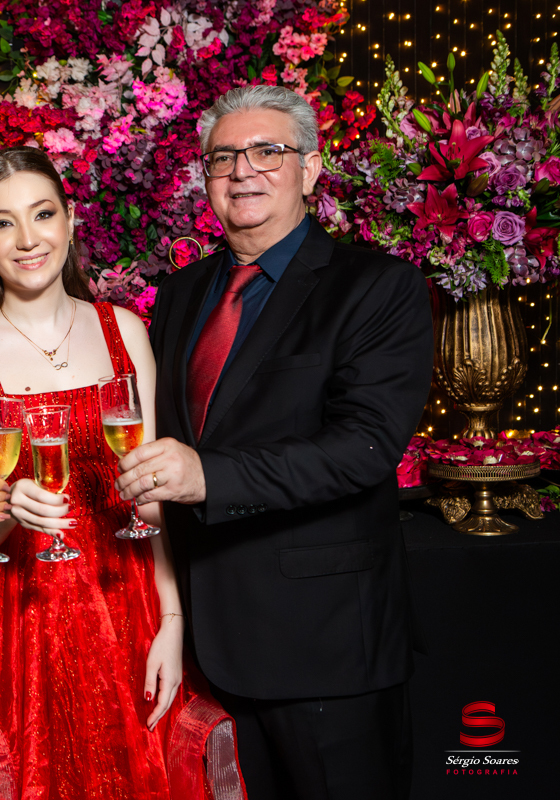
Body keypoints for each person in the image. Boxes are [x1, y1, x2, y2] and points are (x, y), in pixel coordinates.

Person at [118, 85, 434, 799]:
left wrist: (208, 476)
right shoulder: (180, 293)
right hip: (208, 647)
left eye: (267, 152)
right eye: (223, 157)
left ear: (310, 169)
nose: (242, 171)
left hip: (326, 648)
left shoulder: (377, 287)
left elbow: (364, 447)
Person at [0, 146, 242, 799]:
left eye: (42, 214)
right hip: (17, 626)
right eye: (3, 222)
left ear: (70, 220)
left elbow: (154, 497)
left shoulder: (125, 331)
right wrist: (3, 508)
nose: (27, 238)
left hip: (127, 606)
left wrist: (172, 620)